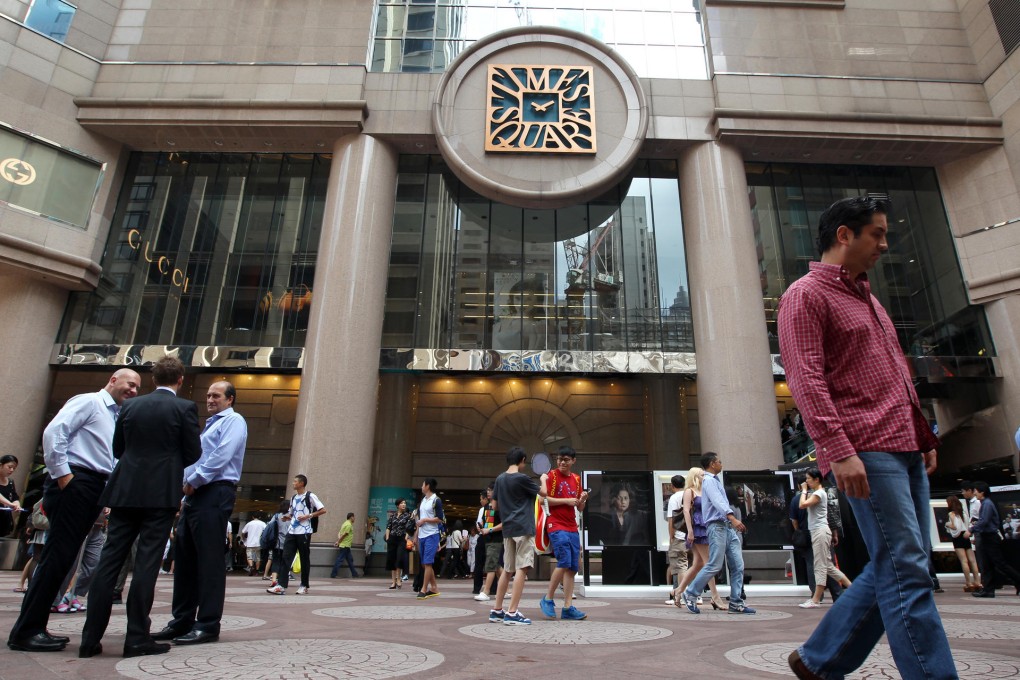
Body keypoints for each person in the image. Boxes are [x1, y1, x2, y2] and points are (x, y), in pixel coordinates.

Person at [778, 195, 957, 679]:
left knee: (900, 565)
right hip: (866, 449)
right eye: (876, 234)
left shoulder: (870, 298)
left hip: (905, 447)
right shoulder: (805, 295)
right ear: (844, 236)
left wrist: (923, 437)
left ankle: (818, 660)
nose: (884, 243)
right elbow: (806, 379)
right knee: (908, 568)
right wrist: (838, 451)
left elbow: (897, 373)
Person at [7, 368, 140, 653]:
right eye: (130, 384)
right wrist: (63, 475)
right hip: (76, 483)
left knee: (63, 559)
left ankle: (33, 626)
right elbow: (56, 431)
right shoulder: (89, 402)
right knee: (57, 558)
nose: (133, 390)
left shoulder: (114, 416)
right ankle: (26, 631)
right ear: (113, 379)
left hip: (92, 487)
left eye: (137, 387)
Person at [79, 356, 201, 659]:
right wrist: (169, 462)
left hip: (124, 490)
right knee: (146, 564)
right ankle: (136, 638)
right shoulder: (184, 408)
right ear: (181, 379)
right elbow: (193, 452)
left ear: (152, 378)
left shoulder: (130, 406)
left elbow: (118, 447)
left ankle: (90, 638)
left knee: (109, 562)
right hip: (159, 494)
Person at [151, 379, 247, 646]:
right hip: (194, 495)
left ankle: (207, 624)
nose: (210, 399)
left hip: (214, 492)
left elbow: (221, 456)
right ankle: (181, 620)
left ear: (230, 399)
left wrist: (194, 481)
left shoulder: (234, 421)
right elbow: (194, 459)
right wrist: (184, 489)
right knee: (185, 560)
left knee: (209, 561)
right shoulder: (209, 425)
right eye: (208, 395)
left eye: (216, 395)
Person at [678, 452, 753, 616]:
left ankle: (736, 602)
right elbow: (718, 502)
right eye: (719, 461)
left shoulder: (714, 481)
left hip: (726, 527)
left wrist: (731, 522)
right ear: (712, 464)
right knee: (714, 564)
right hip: (718, 526)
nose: (721, 463)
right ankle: (690, 593)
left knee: (738, 566)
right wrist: (733, 518)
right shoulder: (710, 481)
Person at [490, 447, 544, 625]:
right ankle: (512, 612)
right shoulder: (522, 478)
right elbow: (543, 493)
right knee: (523, 567)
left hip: (508, 529)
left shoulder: (499, 478)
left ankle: (497, 610)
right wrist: (543, 478)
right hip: (523, 527)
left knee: (507, 569)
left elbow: (495, 506)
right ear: (522, 460)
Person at [538, 446, 588, 621]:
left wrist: (581, 501)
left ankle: (568, 607)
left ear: (573, 461)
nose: (562, 462)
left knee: (573, 567)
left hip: (572, 526)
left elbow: (579, 508)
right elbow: (543, 499)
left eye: (566, 459)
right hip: (555, 524)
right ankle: (547, 598)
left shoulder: (576, 478)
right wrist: (567, 501)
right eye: (559, 459)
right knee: (564, 561)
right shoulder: (550, 476)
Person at [797, 469, 852, 608]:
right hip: (820, 531)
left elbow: (802, 505)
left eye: (808, 479)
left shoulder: (819, 493)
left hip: (819, 532)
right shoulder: (819, 493)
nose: (806, 482)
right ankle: (853, 589)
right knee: (828, 566)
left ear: (817, 480)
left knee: (820, 566)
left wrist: (803, 491)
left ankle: (815, 599)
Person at [671, 468, 723, 610]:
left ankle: (679, 590)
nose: (704, 477)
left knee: (699, 564)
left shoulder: (704, 489)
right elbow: (686, 510)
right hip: (697, 529)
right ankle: (715, 596)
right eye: (701, 475)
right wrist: (690, 531)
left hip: (705, 526)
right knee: (709, 563)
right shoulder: (690, 491)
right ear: (694, 476)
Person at [267, 475, 326, 595]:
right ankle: (281, 585)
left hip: (304, 531)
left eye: (295, 482)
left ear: (302, 483)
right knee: (286, 557)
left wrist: (307, 516)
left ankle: (304, 585)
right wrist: (286, 517)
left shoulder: (310, 496)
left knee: (304, 559)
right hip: (292, 531)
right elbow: (292, 513)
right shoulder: (293, 497)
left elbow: (323, 510)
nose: (293, 483)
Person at [968, 481, 1020, 598]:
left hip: (990, 537)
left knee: (999, 563)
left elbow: (984, 521)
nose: (975, 493)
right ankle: (988, 590)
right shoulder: (985, 503)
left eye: (976, 490)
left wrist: (971, 530)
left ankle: (1017, 580)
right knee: (988, 565)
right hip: (988, 537)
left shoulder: (987, 504)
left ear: (982, 492)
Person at [414, 478, 443, 599]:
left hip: (432, 534)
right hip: (422, 535)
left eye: (423, 484)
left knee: (427, 563)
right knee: (425, 564)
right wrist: (416, 535)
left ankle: (424, 589)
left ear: (428, 486)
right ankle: (434, 587)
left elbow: (439, 519)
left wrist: (425, 520)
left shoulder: (436, 500)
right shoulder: (423, 500)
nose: (421, 487)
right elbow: (419, 520)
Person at [945, 496, 980, 592]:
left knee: (964, 561)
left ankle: (969, 583)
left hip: (958, 538)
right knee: (972, 560)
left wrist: (947, 524)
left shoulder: (951, 513)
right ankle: (977, 582)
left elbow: (954, 526)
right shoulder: (964, 513)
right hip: (965, 536)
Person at [474, 484, 503, 602]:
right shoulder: (486, 507)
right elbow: (487, 523)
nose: (488, 492)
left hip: (496, 540)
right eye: (488, 490)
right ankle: (507, 590)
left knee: (491, 565)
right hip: (487, 539)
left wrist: (489, 530)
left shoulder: (500, 506)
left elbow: (504, 524)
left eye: (491, 490)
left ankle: (486, 591)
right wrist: (482, 529)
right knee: (496, 566)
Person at [664, 474, 687, 605]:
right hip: (691, 536)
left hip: (679, 536)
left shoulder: (674, 498)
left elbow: (671, 520)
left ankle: (680, 594)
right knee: (691, 565)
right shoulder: (689, 494)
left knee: (679, 567)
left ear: (672, 486)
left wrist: (671, 537)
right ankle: (693, 594)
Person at [384, 499, 413, 589]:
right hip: (392, 539)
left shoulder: (407, 516)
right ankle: (393, 582)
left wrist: (406, 537)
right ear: (397, 505)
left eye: (404, 503)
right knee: (392, 560)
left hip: (401, 539)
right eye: (402, 503)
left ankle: (399, 579)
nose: (404, 504)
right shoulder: (393, 516)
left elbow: (409, 527)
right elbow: (388, 527)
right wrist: (388, 538)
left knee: (399, 559)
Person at [331, 512, 359, 578]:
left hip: (346, 545)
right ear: (351, 517)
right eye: (354, 517)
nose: (354, 518)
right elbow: (344, 534)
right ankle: (333, 574)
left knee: (350, 560)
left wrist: (338, 541)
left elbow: (339, 533)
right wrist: (338, 542)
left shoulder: (344, 523)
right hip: (345, 545)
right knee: (340, 560)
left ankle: (355, 574)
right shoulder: (348, 525)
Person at [0, 454, 22, 538]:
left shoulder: (10, 482)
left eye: (14, 468)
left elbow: (14, 497)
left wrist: (17, 504)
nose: (12, 470)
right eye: (9, 467)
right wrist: (10, 503)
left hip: (3, 522)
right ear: (1, 465)